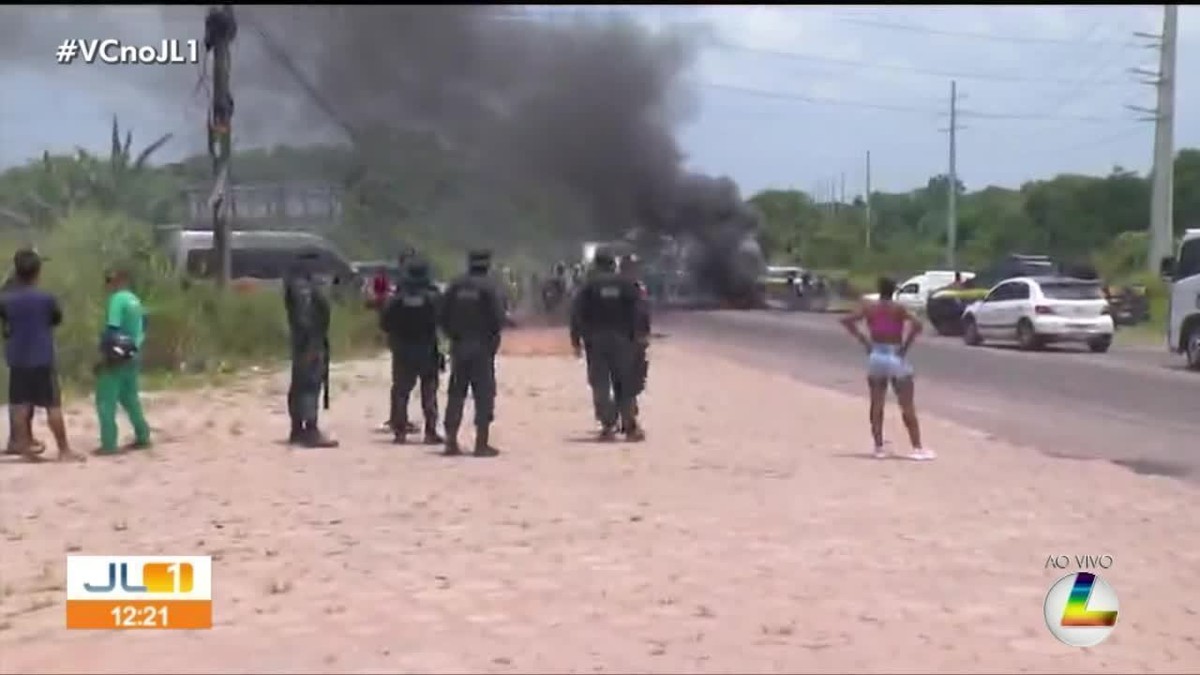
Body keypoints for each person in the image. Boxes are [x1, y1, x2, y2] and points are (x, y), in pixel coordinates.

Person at [839, 276, 931, 460]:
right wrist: (906, 346)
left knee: (876, 404)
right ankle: (917, 447)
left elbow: (847, 320)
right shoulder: (899, 308)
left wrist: (864, 341)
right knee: (906, 404)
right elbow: (918, 325)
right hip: (894, 353)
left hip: (876, 354)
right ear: (894, 290)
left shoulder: (870, 308)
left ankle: (878, 447)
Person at [0, 250, 79, 462]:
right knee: (52, 405)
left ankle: (25, 450)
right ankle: (64, 450)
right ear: (38, 272)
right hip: (42, 356)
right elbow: (55, 319)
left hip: (17, 358)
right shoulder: (46, 298)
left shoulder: (6, 300)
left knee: (20, 405)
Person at [570, 249, 649, 441]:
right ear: (613, 264)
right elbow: (640, 311)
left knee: (601, 384)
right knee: (625, 382)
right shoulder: (627, 284)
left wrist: (576, 340)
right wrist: (642, 335)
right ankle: (629, 425)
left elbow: (577, 314)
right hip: (623, 340)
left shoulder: (588, 286)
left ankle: (607, 426)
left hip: (596, 341)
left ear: (596, 265)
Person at [439, 250, 505, 457]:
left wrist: (453, 336)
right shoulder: (489, 287)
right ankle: (481, 444)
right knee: (483, 394)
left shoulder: (455, 285)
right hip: (482, 347)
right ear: (487, 264)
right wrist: (492, 341)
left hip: (459, 346)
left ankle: (451, 442)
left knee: (456, 393)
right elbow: (497, 318)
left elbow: (441, 315)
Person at [380, 259, 443, 445]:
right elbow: (443, 319)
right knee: (429, 392)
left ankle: (399, 432)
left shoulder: (397, 299)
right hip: (427, 348)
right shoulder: (434, 297)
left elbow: (385, 323)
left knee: (401, 391)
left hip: (403, 350)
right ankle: (430, 432)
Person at [94, 265, 151, 456]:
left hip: (117, 356)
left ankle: (109, 443)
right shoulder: (135, 299)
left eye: (109, 281)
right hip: (134, 353)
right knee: (130, 397)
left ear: (116, 281)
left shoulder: (117, 300)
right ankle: (143, 436)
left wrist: (104, 356)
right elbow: (145, 324)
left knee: (105, 399)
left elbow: (112, 331)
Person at [284, 252, 338, 448]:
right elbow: (307, 315)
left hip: (302, 340)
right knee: (310, 383)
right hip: (310, 340)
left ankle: (297, 428)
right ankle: (310, 429)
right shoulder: (305, 288)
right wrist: (313, 340)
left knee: (300, 382)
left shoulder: (294, 283)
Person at [1, 265, 44, 456]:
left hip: (21, 348)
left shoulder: (11, 292)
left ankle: (23, 436)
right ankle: (17, 439)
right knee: (21, 400)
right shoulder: (11, 292)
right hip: (22, 350)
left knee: (24, 400)